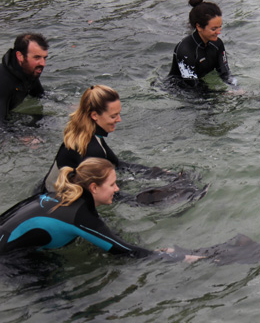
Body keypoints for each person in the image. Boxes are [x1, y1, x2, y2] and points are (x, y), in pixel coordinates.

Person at [0, 158, 202, 262]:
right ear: (94, 188)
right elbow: (123, 251)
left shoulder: (64, 196)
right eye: (112, 184)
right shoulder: (80, 214)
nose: (117, 189)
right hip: (8, 259)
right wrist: (177, 257)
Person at [41, 84, 172, 193]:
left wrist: (160, 173)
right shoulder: (90, 149)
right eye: (113, 116)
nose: (119, 119)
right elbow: (108, 195)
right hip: (53, 201)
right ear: (94, 115)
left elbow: (117, 164)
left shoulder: (89, 134)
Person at [167, 0, 240, 90]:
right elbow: (192, 85)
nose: (219, 32)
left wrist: (237, 88)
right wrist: (221, 95)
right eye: (214, 29)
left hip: (200, 85)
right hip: (179, 90)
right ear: (199, 27)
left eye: (220, 27)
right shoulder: (185, 50)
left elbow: (225, 73)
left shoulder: (217, 44)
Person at [0, 33, 48, 127]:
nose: (43, 63)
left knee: (47, 121)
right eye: (37, 57)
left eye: (44, 58)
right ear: (20, 56)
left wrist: (65, 105)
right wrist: (22, 137)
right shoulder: (3, 81)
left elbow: (41, 95)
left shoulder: (29, 72)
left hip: (8, 114)